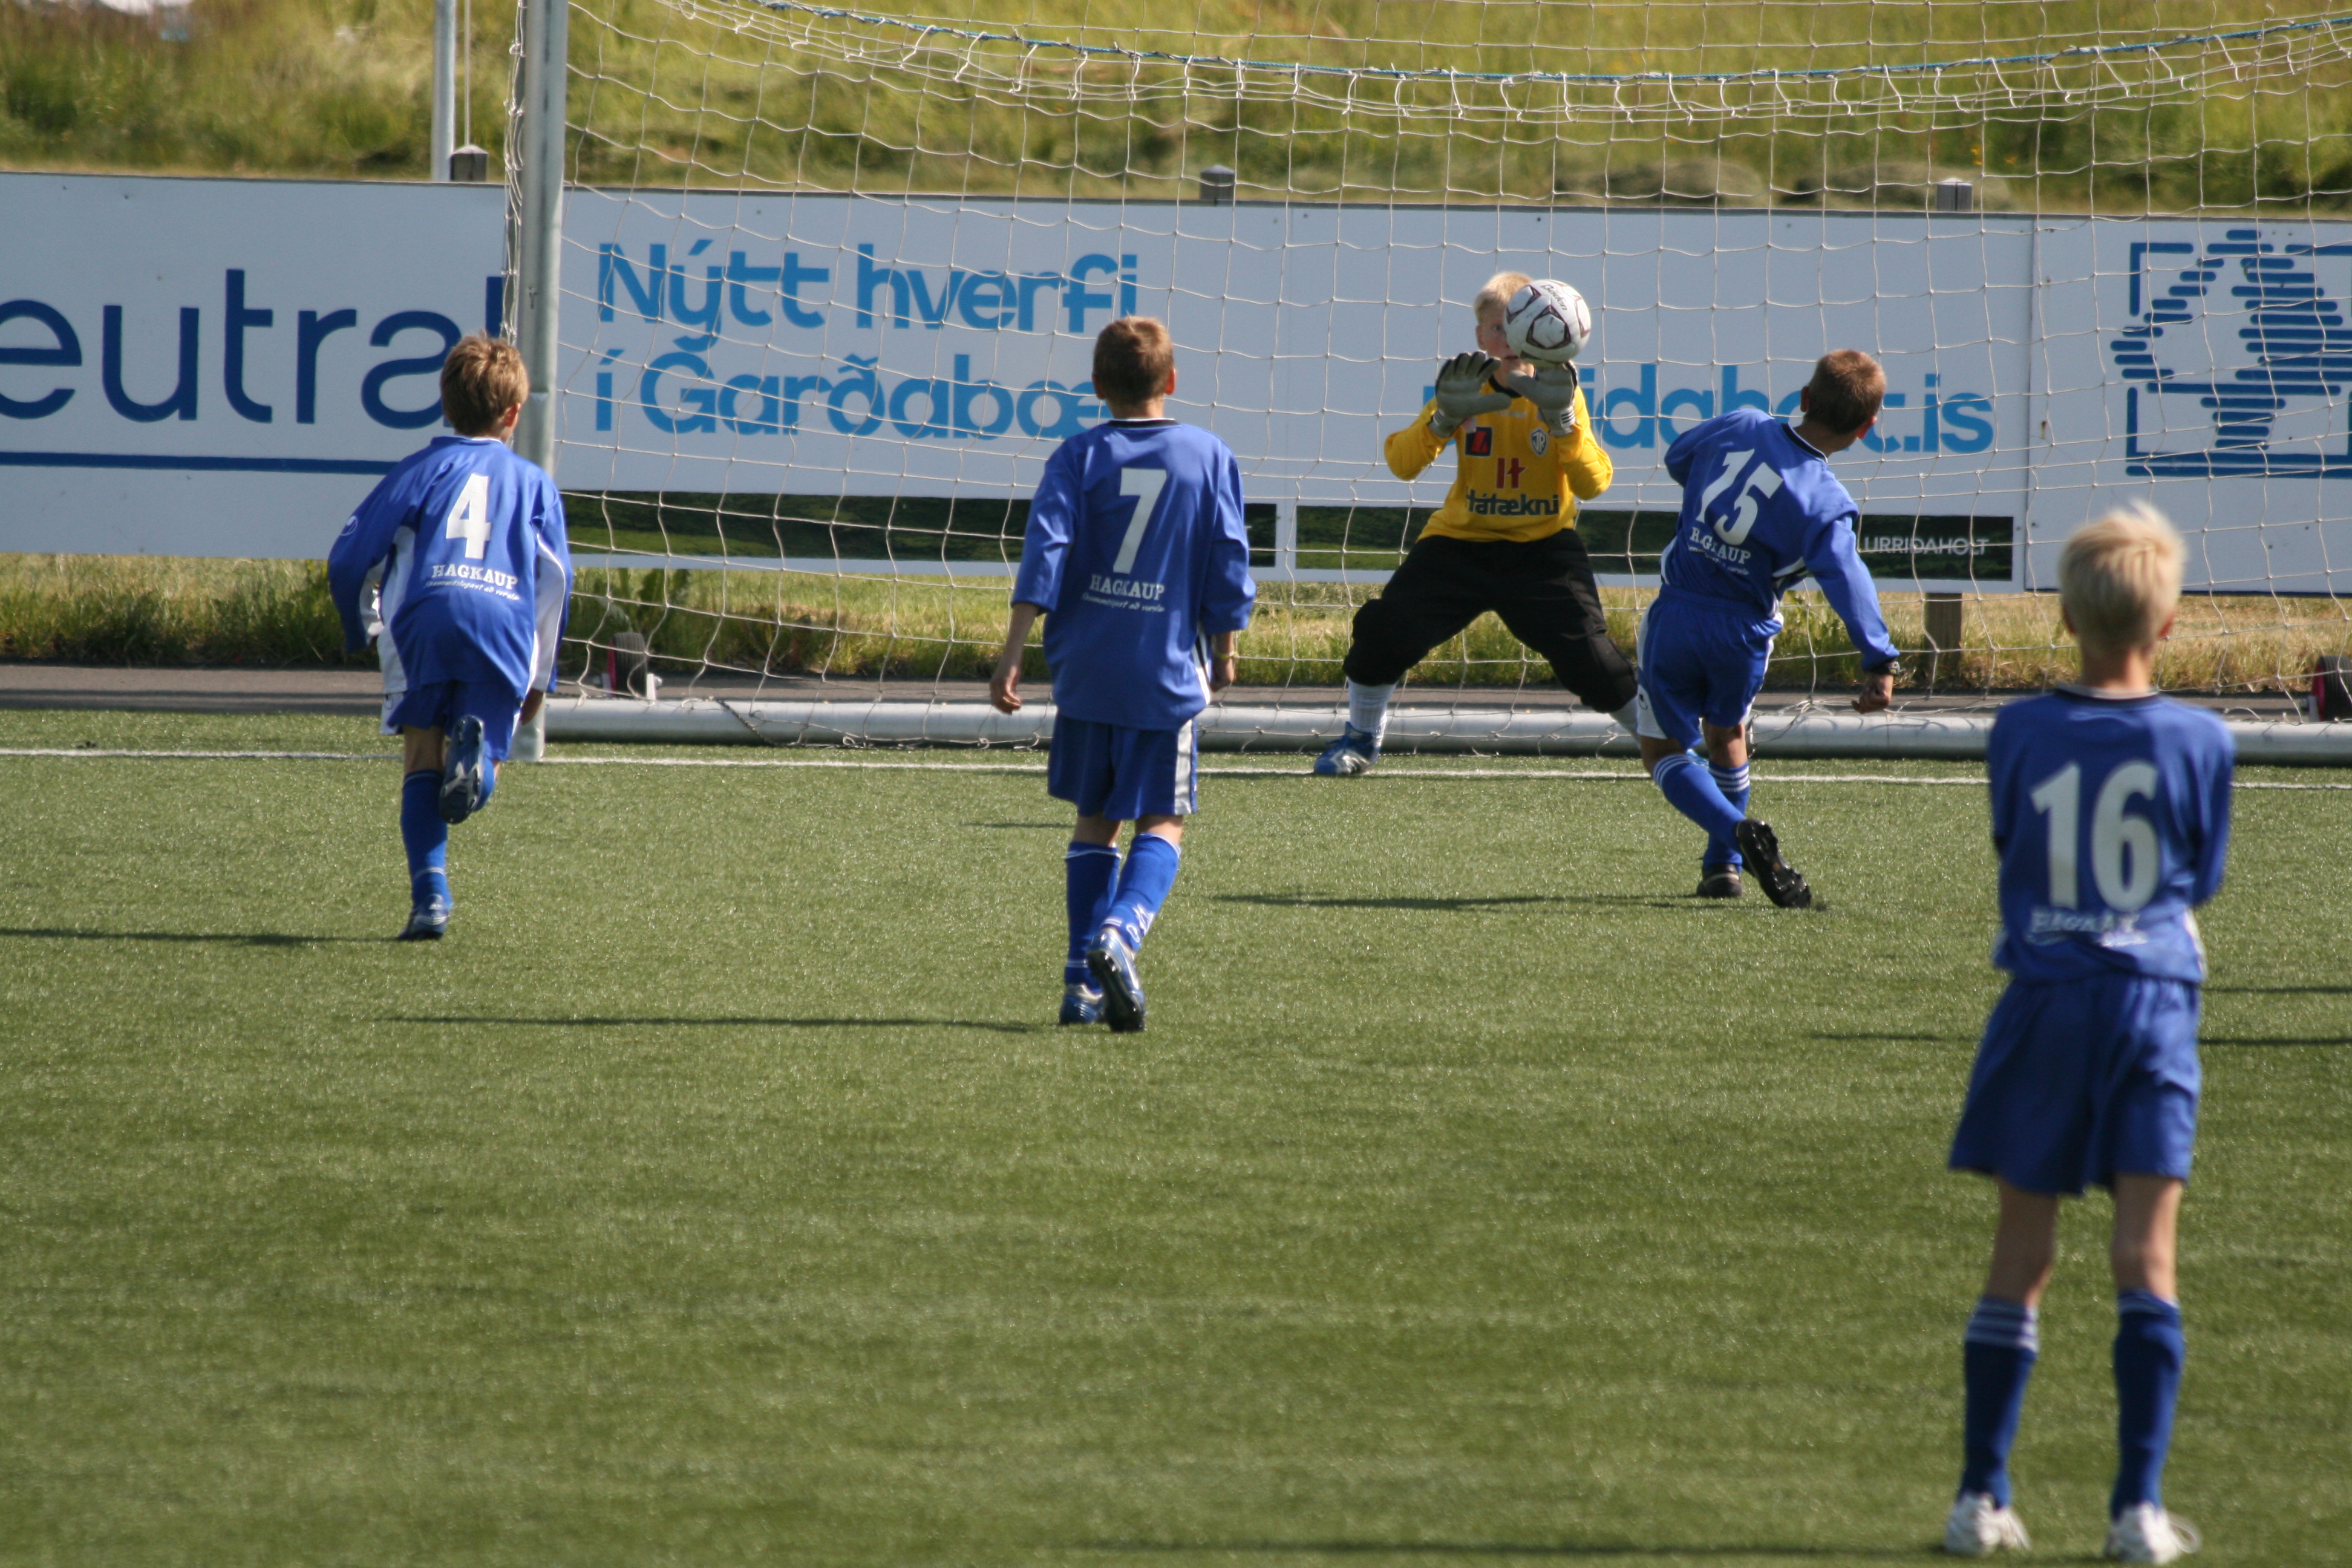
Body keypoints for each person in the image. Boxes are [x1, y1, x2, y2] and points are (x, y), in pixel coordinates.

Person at [1940, 506, 2230, 1564]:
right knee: (2144, 1254)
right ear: (2168, 624)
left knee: (2020, 1254)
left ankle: (1979, 1498)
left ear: (2063, 619)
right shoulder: (2200, 739)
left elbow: (2010, 842)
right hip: (2150, 1001)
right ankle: (2135, 1512)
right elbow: (2201, 874)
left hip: (2044, 997)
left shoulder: (2019, 730)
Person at [990, 316, 1255, 1031]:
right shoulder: (1208, 455)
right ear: (1172, 381)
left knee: (1095, 821)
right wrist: (1226, 648)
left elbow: (1045, 552)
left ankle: (1080, 987)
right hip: (1161, 674)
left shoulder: (1076, 456)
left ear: (1097, 386)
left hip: (1086, 673)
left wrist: (1013, 652)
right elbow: (1228, 561)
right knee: (1163, 820)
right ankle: (1120, 932)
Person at [1314, 271, 1635, 776]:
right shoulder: (1463, 387)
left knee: (1597, 665)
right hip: (1459, 543)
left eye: (1517, 326)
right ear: (1480, 336)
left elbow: (1594, 484)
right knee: (1383, 635)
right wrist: (1443, 418)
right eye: (1496, 327)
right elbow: (1402, 464)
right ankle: (1361, 739)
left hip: (1542, 548)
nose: (1507, 338)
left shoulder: (1560, 393)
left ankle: (1667, 745)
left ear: (1544, 335)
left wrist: (1563, 424)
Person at [1635, 349, 1902, 905]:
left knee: (1662, 750)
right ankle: (1723, 870)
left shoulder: (1742, 423)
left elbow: (1679, 457)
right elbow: (1848, 580)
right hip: (1744, 633)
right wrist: (1879, 658)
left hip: (1679, 612)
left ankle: (1736, 833)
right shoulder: (1828, 503)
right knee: (1728, 735)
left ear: (1803, 398)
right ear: (1867, 428)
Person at [328, 335, 572, 941]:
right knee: (484, 756)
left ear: (445, 404)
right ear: (514, 413)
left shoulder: (417, 471)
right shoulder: (534, 484)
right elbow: (555, 581)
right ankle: (478, 768)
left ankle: (430, 898)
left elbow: (350, 557)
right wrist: (540, 678)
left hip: (425, 620)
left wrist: (361, 627)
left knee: (420, 757)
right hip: (503, 623)